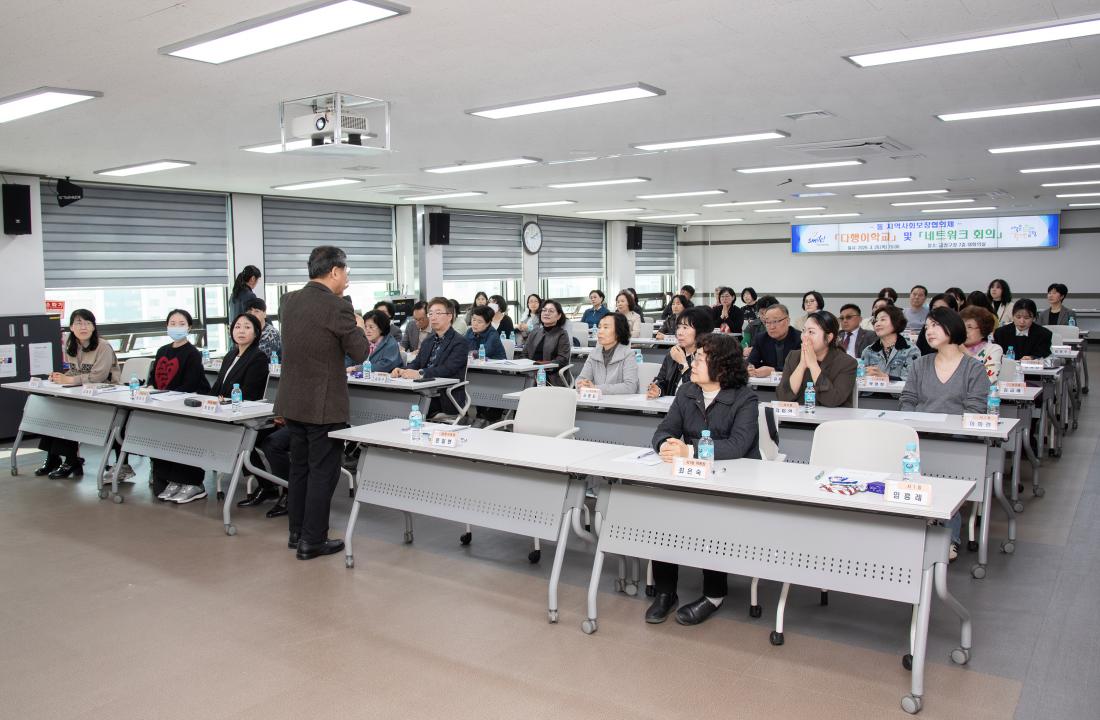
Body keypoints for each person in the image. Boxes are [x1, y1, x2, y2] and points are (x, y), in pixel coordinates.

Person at [647, 333, 760, 626]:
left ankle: (714, 594)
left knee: (712, 519)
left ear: (721, 366)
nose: (693, 362)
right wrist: (666, 446)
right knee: (663, 513)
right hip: (693, 476)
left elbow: (738, 445)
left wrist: (690, 450)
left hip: (733, 481)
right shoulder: (687, 392)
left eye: (700, 358)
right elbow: (663, 430)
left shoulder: (745, 398)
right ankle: (665, 592)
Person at [275, 246, 370, 560]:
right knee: (323, 472)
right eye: (346, 273)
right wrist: (352, 315)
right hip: (324, 403)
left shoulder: (288, 301)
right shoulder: (337, 306)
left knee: (299, 468)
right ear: (334, 271)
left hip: (293, 400)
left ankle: (296, 532)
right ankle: (313, 541)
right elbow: (360, 352)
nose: (347, 280)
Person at [900, 307, 990, 561]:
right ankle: (915, 534)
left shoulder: (974, 368)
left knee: (946, 480)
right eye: (927, 326)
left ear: (953, 329)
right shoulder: (921, 364)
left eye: (935, 326)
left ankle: (950, 537)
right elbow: (907, 401)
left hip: (956, 440)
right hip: (920, 437)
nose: (929, 331)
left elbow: (975, 409)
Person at [36, 309, 119, 479]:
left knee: (67, 414)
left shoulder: (103, 346)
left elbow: (98, 377)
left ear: (94, 327)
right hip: (83, 394)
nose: (84, 327)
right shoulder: (71, 346)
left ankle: (71, 460)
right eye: (79, 323)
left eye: (88, 323)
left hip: (105, 396)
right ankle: (53, 458)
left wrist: (70, 381)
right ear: (71, 327)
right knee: (52, 410)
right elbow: (75, 373)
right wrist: (60, 377)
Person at [211, 314, 280, 511]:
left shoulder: (258, 357)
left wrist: (225, 400)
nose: (241, 331)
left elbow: (250, 393)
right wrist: (207, 400)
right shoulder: (230, 355)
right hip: (225, 411)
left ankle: (268, 486)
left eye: (247, 327)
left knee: (240, 440)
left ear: (256, 333)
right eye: (237, 326)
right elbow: (218, 386)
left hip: (246, 415)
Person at [150, 309, 212, 504]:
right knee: (160, 436)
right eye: (172, 323)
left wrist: (167, 396)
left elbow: (191, 384)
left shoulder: (192, 353)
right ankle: (171, 479)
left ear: (189, 327)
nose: (176, 327)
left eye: (181, 323)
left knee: (183, 438)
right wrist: (151, 391)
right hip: (163, 403)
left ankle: (191, 482)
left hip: (187, 405)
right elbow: (154, 379)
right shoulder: (162, 351)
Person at [393, 297, 471, 414]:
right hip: (423, 390)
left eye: (438, 313)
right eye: (430, 314)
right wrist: (402, 370)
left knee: (403, 406)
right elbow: (417, 363)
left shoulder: (459, 342)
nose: (433, 317)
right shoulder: (428, 341)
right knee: (396, 399)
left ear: (450, 316)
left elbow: (447, 369)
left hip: (443, 396)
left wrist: (420, 374)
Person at [776, 310, 857, 407]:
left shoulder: (847, 363)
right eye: (803, 331)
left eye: (811, 332)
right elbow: (783, 397)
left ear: (829, 337)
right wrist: (802, 365)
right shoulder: (793, 356)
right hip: (797, 420)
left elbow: (832, 400)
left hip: (831, 420)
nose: (805, 336)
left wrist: (813, 364)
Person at [647, 307, 714, 398]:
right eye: (678, 327)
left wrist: (683, 364)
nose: (679, 332)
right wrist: (658, 390)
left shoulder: (707, 357)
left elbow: (696, 393)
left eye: (685, 328)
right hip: (671, 408)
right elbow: (661, 380)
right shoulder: (673, 353)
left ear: (700, 331)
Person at [576, 313, 639, 395]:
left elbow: (630, 387)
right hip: (595, 404)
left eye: (606, 327)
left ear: (618, 332)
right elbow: (581, 378)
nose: (600, 331)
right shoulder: (594, 354)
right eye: (599, 327)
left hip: (617, 405)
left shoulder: (628, 354)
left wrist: (596, 388)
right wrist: (581, 384)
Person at [860, 305, 921, 381]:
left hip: (899, 392)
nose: (877, 324)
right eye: (876, 320)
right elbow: (861, 378)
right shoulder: (868, 351)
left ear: (896, 322)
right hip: (873, 392)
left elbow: (911, 380)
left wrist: (885, 378)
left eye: (883, 320)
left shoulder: (911, 350)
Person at [522, 299, 571, 386]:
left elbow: (562, 360)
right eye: (544, 310)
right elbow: (524, 353)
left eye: (551, 311)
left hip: (552, 377)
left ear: (559, 316)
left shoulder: (562, 334)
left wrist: (542, 366)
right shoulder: (535, 332)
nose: (546, 313)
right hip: (532, 374)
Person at [746, 304, 801, 378]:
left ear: (788, 321)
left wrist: (774, 371)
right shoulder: (761, 338)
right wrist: (750, 368)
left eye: (775, 321)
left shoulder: (800, 338)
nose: (772, 327)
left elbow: (799, 367)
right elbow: (752, 362)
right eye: (767, 322)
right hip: (765, 386)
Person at [961, 306, 1003, 384]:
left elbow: (989, 379)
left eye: (969, 327)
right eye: (962, 326)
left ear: (983, 331)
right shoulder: (953, 347)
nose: (965, 331)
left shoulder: (993, 349)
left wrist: (965, 352)